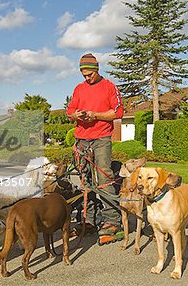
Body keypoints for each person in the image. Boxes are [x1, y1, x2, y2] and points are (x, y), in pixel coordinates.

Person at [66, 53, 124, 245]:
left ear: (97, 70)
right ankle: (87, 219)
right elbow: (70, 112)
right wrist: (77, 115)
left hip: (101, 139)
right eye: (83, 74)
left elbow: (117, 112)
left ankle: (112, 222)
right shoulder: (79, 89)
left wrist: (95, 115)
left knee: (104, 178)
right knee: (85, 181)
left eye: (89, 74)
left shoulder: (109, 87)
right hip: (81, 140)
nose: (86, 78)